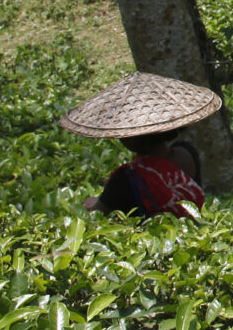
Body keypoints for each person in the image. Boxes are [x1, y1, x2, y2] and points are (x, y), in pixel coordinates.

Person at [61, 72, 223, 221]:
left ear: (129, 140)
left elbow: (98, 216)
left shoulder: (127, 178)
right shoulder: (187, 152)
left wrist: (90, 205)